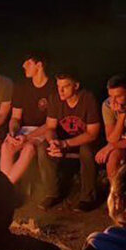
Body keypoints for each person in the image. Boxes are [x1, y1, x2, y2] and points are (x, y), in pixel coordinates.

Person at [42, 70, 103, 211]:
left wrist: (65, 144)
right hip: (63, 141)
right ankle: (52, 193)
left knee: (86, 150)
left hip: (84, 141)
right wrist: (53, 142)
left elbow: (92, 134)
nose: (61, 91)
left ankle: (87, 197)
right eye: (58, 87)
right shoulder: (54, 98)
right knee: (43, 147)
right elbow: (50, 127)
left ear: (76, 86)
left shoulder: (88, 99)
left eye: (65, 86)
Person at [0, 52, 57, 188]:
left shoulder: (53, 88)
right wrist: (13, 132)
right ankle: (6, 188)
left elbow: (50, 124)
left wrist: (27, 137)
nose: (23, 65)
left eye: (28, 63)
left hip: (45, 130)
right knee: (6, 146)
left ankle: (4, 188)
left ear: (39, 65)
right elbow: (15, 117)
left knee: (28, 148)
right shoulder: (21, 87)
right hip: (24, 131)